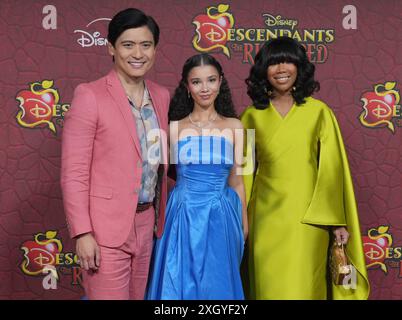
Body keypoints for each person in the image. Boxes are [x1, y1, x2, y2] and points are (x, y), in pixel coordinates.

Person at [241, 37, 370, 300]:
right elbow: (242, 176)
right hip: (264, 221)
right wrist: (239, 221)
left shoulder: (319, 112)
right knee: (268, 288)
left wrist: (337, 223)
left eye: (288, 61)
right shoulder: (251, 116)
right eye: (273, 63)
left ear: (300, 67)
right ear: (263, 70)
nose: (281, 69)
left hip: (310, 221)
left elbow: (333, 171)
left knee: (305, 288)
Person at [60, 8, 170, 300]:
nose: (138, 53)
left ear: (155, 50)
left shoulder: (161, 95)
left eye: (146, 45)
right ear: (111, 48)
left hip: (147, 223)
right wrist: (83, 233)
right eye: (128, 44)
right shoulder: (90, 95)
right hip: (104, 227)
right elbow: (74, 173)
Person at [146, 53, 247, 299]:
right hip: (181, 214)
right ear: (187, 86)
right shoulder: (169, 127)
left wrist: (243, 225)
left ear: (221, 82)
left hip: (221, 216)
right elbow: (151, 179)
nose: (205, 88)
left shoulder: (238, 126)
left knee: (217, 284)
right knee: (178, 283)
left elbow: (238, 181)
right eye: (197, 82)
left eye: (211, 80)